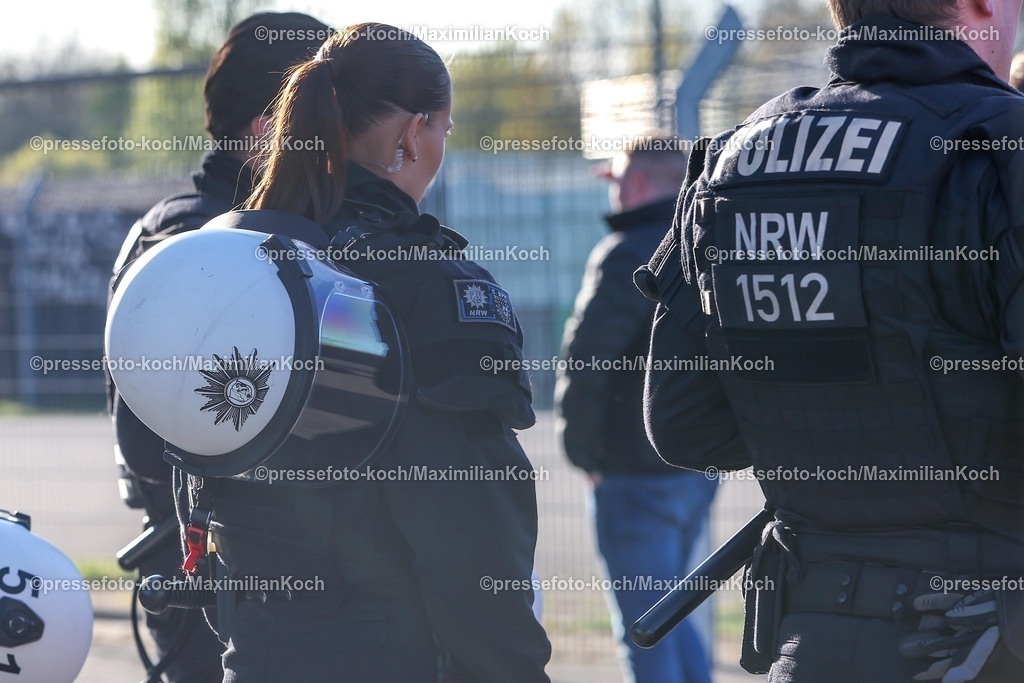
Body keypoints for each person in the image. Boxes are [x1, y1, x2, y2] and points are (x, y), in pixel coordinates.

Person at [636, 1, 1024, 682]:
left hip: (814, 639)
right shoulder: (1002, 147)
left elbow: (688, 429)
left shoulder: (730, 161)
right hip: (985, 640)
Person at [161, 22, 550, 682]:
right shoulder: (429, 287)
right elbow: (470, 533)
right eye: (444, 131)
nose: (441, 149)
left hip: (254, 652)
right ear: (410, 135)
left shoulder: (232, 265)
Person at [107, 12, 329, 682]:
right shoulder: (213, 246)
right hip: (217, 574)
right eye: (324, 113)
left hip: (205, 570)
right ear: (269, 131)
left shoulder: (178, 230)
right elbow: (156, 442)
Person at [555, 141, 717, 683]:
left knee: (645, 630)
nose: (614, 189)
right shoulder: (708, 244)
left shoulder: (628, 252)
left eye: (619, 179)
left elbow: (588, 357)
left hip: (632, 471)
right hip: (696, 467)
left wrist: (582, 451)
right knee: (668, 614)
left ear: (641, 186)